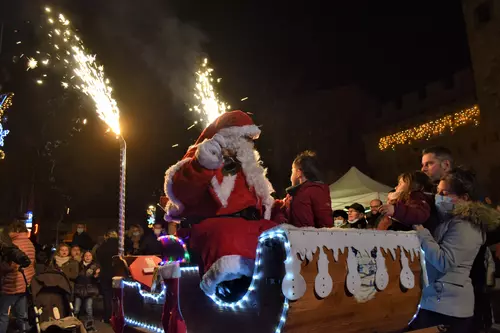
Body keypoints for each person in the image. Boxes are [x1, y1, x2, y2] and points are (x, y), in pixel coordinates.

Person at [161, 110, 276, 299]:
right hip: (217, 224)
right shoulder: (204, 155)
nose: (248, 144)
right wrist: (202, 165)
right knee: (228, 237)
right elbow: (183, 190)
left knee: (279, 234)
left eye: (250, 139)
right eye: (244, 138)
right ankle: (232, 291)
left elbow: (260, 202)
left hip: (252, 224)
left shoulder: (248, 167)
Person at [408, 168, 500, 332]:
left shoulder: (466, 226)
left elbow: (444, 262)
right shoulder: (452, 221)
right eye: (437, 192)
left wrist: (422, 233)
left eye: (444, 193)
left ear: (464, 198)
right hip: (439, 301)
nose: (439, 197)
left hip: (447, 306)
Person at [273, 151, 333, 228]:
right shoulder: (294, 195)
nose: (291, 177)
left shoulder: (316, 191)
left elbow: (326, 223)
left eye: (292, 172)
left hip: (309, 238)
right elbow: (284, 209)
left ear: (298, 173)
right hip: (294, 238)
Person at [0, 221, 36, 333]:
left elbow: (11, 266)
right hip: (26, 281)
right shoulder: (29, 243)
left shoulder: (14, 245)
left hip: (12, 284)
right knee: (22, 315)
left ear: (16, 230)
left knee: (3, 314)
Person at [96, 230, 118, 324]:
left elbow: (98, 257)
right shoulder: (120, 245)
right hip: (117, 273)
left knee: (107, 296)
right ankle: (117, 316)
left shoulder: (101, 247)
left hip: (105, 273)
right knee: (117, 296)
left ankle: (107, 317)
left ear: (106, 236)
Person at [74, 251, 100, 331]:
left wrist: (96, 276)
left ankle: (89, 325)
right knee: (76, 309)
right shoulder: (78, 265)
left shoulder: (95, 266)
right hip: (79, 290)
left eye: (89, 255)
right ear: (83, 257)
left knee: (88, 308)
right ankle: (75, 324)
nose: (88, 257)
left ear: (92, 257)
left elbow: (97, 279)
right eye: (86, 255)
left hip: (89, 291)